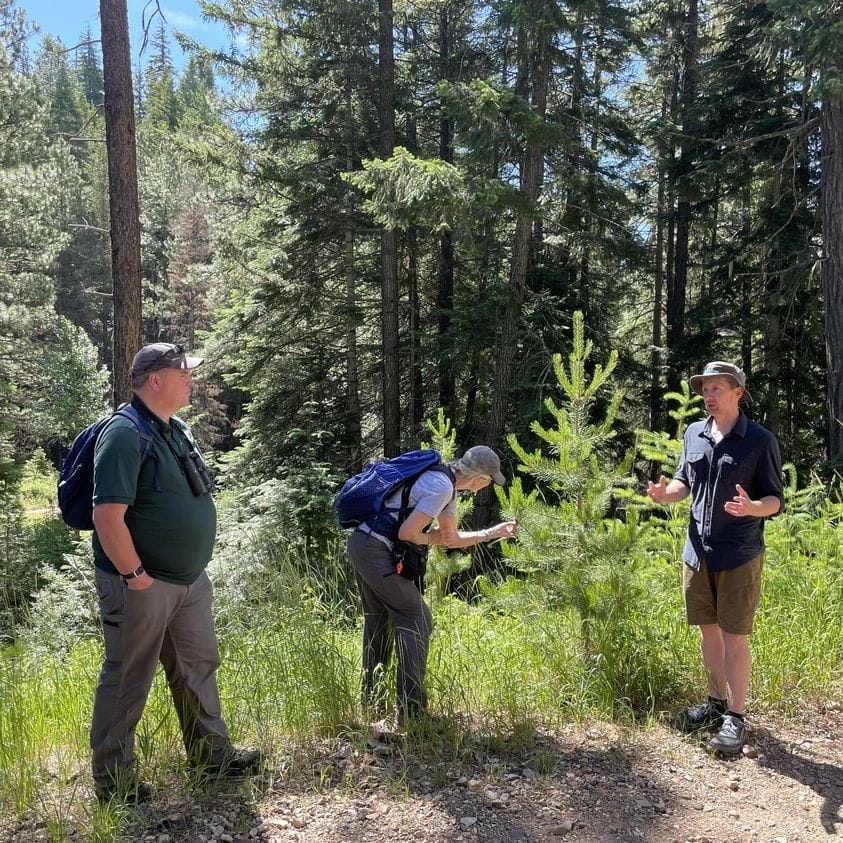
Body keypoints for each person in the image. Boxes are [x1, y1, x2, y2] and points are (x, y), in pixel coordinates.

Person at [90, 343, 262, 803]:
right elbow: (107, 516)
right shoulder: (124, 434)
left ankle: (212, 756)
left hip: (188, 581)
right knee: (128, 676)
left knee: (197, 667)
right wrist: (136, 576)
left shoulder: (176, 428)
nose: (192, 379)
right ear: (155, 380)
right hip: (141, 582)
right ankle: (114, 781)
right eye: (184, 372)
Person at [647, 361, 783, 755]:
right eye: (704, 389)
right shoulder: (694, 433)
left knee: (735, 636)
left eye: (716, 389)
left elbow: (775, 501)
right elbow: (683, 482)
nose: (708, 395)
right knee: (709, 631)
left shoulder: (759, 440)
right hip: (697, 552)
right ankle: (715, 705)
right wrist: (664, 494)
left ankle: (736, 719)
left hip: (739, 553)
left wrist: (752, 507)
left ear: (737, 392)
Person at [346, 445, 519, 731]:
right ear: (479, 478)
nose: (487, 486)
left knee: (379, 622)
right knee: (417, 618)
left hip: (365, 545)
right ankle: (411, 712)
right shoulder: (440, 486)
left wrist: (492, 533)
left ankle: (372, 702)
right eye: (489, 480)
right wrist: (432, 539)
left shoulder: (446, 485)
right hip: (374, 550)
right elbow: (408, 534)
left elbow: (450, 537)